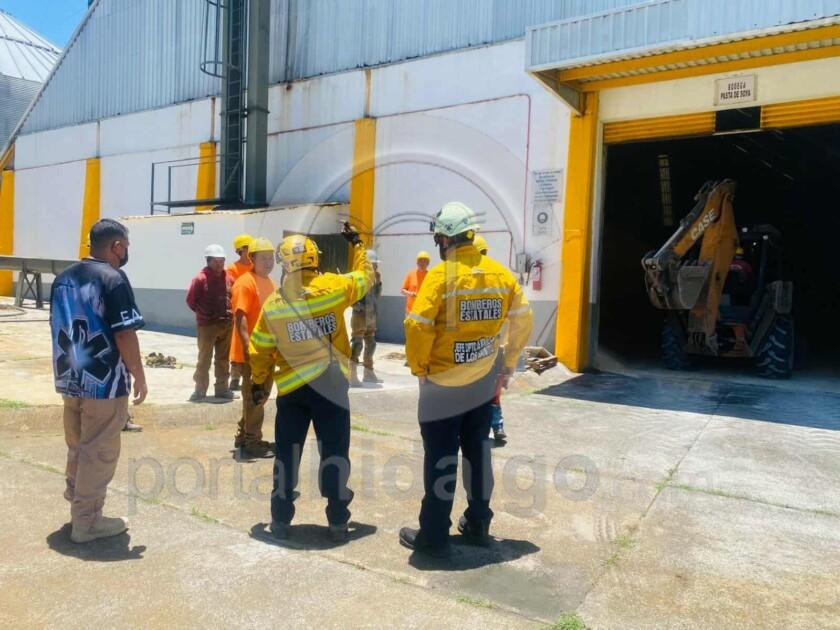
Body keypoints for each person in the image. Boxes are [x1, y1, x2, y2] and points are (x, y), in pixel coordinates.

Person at [399, 202, 532, 557]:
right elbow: (524, 317)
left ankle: (433, 538)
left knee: (441, 458)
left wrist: (420, 369)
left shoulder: (440, 276)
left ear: (445, 239)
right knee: (478, 452)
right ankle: (478, 523)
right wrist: (508, 363)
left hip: (443, 386)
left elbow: (417, 326)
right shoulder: (501, 275)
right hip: (482, 384)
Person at [249, 223, 373, 542]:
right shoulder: (333, 288)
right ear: (314, 258)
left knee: (287, 454)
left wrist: (259, 384)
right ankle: (338, 521)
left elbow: (260, 348)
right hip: (330, 387)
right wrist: (357, 246)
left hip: (292, 391)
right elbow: (365, 277)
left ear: (285, 264)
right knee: (334, 451)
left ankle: (279, 520)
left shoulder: (274, 305)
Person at [50, 218, 148, 543]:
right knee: (100, 449)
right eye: (126, 246)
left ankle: (77, 501)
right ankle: (87, 522)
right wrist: (139, 375)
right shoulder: (113, 278)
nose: (127, 252)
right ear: (116, 246)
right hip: (103, 383)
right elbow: (125, 334)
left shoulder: (63, 278)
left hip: (69, 376)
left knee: (78, 444)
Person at [230, 237, 277, 458]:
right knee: (255, 396)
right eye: (263, 258)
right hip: (253, 353)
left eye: (271, 258)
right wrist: (249, 348)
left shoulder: (270, 283)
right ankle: (252, 442)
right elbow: (240, 317)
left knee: (257, 396)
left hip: (268, 352)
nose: (268, 262)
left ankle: (244, 435)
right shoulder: (245, 283)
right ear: (252, 259)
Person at [186, 244, 235, 402]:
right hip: (207, 326)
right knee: (204, 359)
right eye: (216, 261)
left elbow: (232, 297)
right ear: (208, 261)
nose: (219, 264)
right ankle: (200, 390)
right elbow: (191, 301)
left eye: (222, 261)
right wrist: (204, 315)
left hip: (226, 324)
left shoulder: (228, 278)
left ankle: (222, 389)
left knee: (223, 359)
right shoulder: (200, 279)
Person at [473, 235, 506, 445]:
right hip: (492, 344)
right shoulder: (498, 276)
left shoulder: (464, 278)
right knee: (491, 390)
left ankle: (492, 425)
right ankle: (496, 425)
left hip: (478, 347)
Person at [349, 249, 383, 387]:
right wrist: (357, 306)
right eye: (373, 264)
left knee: (371, 344)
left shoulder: (374, 278)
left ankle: (368, 372)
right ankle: (352, 373)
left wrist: (378, 282)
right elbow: (351, 297)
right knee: (357, 344)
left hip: (371, 316)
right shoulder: (358, 278)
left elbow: (377, 296)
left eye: (376, 264)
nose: (375, 266)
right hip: (360, 316)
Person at [227, 233, 254, 391]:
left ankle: (249, 378)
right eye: (248, 248)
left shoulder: (255, 267)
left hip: (253, 311)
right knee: (237, 345)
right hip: (238, 310)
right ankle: (235, 378)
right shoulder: (232, 269)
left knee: (252, 345)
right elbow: (230, 289)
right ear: (240, 250)